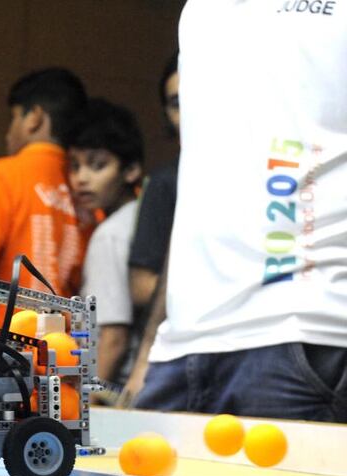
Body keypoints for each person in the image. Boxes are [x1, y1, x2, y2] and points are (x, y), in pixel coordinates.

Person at [127, 0, 347, 422]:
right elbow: (202, 199)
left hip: (306, 333)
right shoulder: (203, 11)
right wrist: (148, 353)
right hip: (182, 350)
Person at [0, 67, 91, 328]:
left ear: (34, 117)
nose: (7, 133)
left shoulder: (2, 175)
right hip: (58, 353)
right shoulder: (86, 194)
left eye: (13, 118)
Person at [68, 98, 143, 390]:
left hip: (120, 388)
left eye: (98, 165)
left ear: (131, 170)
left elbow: (112, 336)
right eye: (74, 166)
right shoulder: (145, 218)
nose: (82, 178)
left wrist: (90, 401)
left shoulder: (110, 234)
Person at [128, 52, 179, 309]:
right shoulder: (166, 181)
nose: (189, 111)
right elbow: (142, 286)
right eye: (177, 103)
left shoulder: (254, 171)